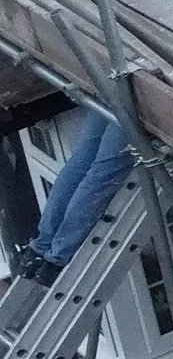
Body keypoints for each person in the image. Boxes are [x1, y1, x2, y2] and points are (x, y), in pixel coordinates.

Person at [24, 109, 132, 284]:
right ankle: (57, 256)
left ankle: (40, 249)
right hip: (135, 98)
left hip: (108, 90)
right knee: (102, 174)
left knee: (81, 163)